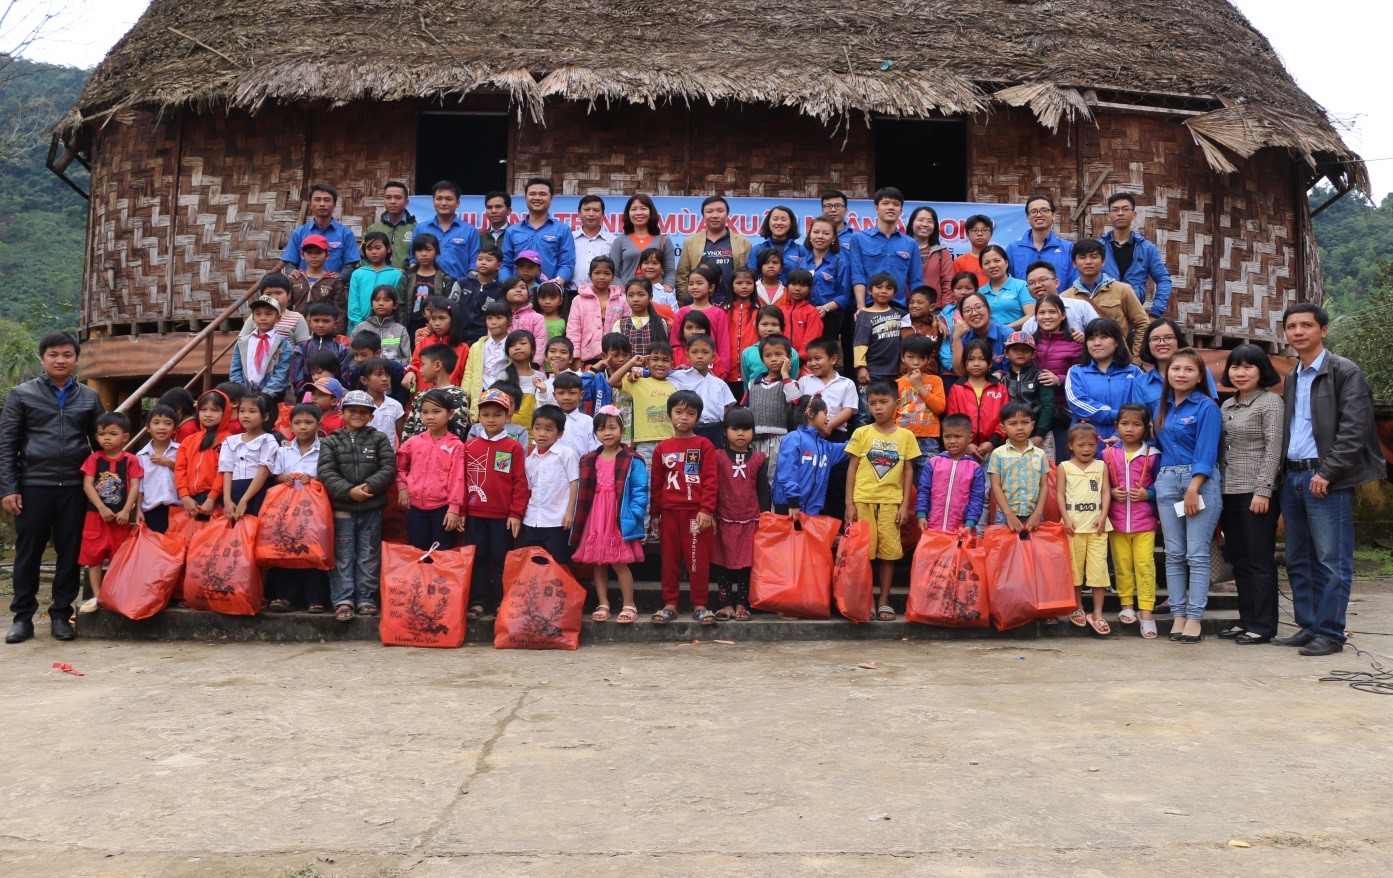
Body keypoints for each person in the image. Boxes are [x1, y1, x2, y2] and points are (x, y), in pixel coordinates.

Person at [1276, 304, 1384, 656]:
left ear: (1323, 330)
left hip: (1326, 477)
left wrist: (1328, 471)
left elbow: (1354, 429)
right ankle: (1309, 626)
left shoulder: (1344, 371)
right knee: (1299, 558)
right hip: (1293, 476)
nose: (1298, 332)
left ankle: (1331, 633)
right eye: (1292, 326)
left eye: (1306, 325)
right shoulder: (1293, 375)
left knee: (1331, 560)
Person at [0, 332, 101, 643]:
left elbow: (100, 444)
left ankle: (60, 615)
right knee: (28, 554)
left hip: (74, 486)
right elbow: (7, 444)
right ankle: (22, 618)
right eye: (54, 354)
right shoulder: (21, 395)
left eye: (67, 355)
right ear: (42, 358)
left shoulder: (88, 397)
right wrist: (8, 488)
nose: (61, 360)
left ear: (76, 359)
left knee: (69, 553)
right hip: (33, 485)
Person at [1148, 348, 1222, 643]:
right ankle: (1178, 613)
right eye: (1176, 369)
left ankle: (1195, 617)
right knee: (1174, 553)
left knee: (1197, 553)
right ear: (1168, 373)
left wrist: (1193, 488)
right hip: (1166, 481)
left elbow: (1207, 451)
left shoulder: (1206, 407)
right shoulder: (1160, 406)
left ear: (1200, 375)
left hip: (1199, 482)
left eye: (1189, 370)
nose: (1181, 374)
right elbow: (1158, 443)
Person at [1215, 346, 1285, 645]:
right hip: (1228, 492)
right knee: (1240, 560)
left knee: (1259, 560)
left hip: (1256, 494)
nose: (1240, 373)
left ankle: (1263, 625)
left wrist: (1264, 490)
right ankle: (1245, 621)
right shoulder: (1227, 405)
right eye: (1235, 367)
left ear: (1261, 371)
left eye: (1248, 367)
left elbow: (1274, 449)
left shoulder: (1270, 403)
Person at [319, 389, 397, 621]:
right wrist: (348, 491)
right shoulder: (331, 441)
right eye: (352, 410)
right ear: (342, 413)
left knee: (369, 555)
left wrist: (369, 487)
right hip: (342, 509)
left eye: (364, 412)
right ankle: (343, 599)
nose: (358, 415)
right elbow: (325, 471)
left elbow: (388, 468)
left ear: (372, 416)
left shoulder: (379, 438)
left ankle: (366, 598)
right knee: (342, 555)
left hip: (372, 508)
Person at [845, 379, 920, 621]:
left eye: (884, 402)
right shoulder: (861, 433)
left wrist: (905, 503)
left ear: (896, 404)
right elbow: (852, 468)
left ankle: (884, 599)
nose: (878, 408)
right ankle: (866, 598)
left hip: (891, 501)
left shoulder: (906, 436)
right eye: (873, 403)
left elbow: (909, 471)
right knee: (864, 553)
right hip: (862, 500)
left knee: (888, 553)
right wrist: (849, 503)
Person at [571, 405, 647, 626]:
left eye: (613, 428)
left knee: (619, 562)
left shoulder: (633, 459)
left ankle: (629, 604)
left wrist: (635, 515)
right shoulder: (588, 459)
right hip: (596, 515)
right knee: (598, 562)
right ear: (595, 433)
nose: (607, 433)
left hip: (618, 515)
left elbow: (640, 490)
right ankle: (603, 603)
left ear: (622, 431)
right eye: (602, 429)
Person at [649, 390, 719, 625]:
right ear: (669, 415)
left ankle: (700, 604)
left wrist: (706, 510)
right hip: (669, 513)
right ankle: (670, 603)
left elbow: (711, 480)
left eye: (691, 413)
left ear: (697, 418)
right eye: (679, 412)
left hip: (696, 514)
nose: (684, 417)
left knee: (697, 559)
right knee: (669, 560)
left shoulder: (704, 445)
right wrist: (654, 514)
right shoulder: (662, 448)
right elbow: (656, 484)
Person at [463, 388, 530, 619]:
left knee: (502, 560)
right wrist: (462, 510)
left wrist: (516, 513)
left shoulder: (513, 447)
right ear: (478, 417)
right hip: (474, 513)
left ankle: (504, 600)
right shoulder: (469, 447)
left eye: (497, 415)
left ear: (508, 417)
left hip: (502, 516)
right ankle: (478, 601)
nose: (491, 419)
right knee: (478, 559)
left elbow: (520, 483)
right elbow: (461, 481)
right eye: (486, 414)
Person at [1102, 403, 1161, 639]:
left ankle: (1146, 610)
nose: (1129, 429)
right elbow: (1098, 482)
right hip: (1116, 522)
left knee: (1145, 565)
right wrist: (1110, 491)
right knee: (1122, 565)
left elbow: (1162, 484)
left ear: (1145, 428)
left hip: (1144, 522)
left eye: (1136, 424)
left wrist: (1149, 494)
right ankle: (1126, 604)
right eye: (1124, 424)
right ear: (1116, 426)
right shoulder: (1107, 454)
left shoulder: (1154, 455)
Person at [265, 403, 330, 612]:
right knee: (287, 549)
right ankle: (285, 596)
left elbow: (330, 475)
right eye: (298, 423)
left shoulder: (326, 449)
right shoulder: (284, 451)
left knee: (313, 550)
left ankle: (315, 597)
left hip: (314, 512)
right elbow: (274, 476)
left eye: (309, 422)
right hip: (287, 511)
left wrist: (314, 478)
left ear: (319, 425)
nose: (303, 427)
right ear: (290, 425)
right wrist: (282, 478)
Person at [77, 412, 142, 614]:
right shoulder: (94, 459)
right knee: (94, 558)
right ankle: (97, 595)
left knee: (119, 557)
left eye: (113, 433)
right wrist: (101, 508)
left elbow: (134, 486)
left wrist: (126, 511)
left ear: (125, 437)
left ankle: (115, 593)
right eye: (102, 434)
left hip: (120, 519)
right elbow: (87, 485)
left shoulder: (130, 460)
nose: (106, 438)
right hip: (95, 516)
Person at [712, 407, 769, 621]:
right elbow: (712, 487)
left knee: (747, 565)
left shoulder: (758, 459)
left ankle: (742, 602)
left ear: (753, 432)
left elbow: (764, 491)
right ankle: (725, 604)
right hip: (724, 519)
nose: (740, 434)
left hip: (750, 520)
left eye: (746, 429)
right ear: (725, 431)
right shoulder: (717, 457)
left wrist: (765, 517)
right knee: (723, 564)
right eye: (734, 428)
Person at [395, 388, 466, 551]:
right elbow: (399, 464)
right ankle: (419, 578)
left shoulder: (456, 445)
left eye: (436, 411)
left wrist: (454, 509)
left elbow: (458, 478)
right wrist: (402, 487)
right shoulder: (413, 442)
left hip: (442, 509)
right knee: (417, 549)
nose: (430, 416)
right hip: (415, 508)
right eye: (425, 412)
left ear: (450, 414)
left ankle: (439, 578)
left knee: (441, 552)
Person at [1057, 421, 1112, 634]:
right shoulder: (1065, 467)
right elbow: (1059, 494)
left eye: (1091, 444)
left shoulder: (1101, 466)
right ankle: (1077, 607)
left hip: (1097, 525)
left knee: (1099, 572)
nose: (1086, 449)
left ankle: (1097, 613)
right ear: (1071, 445)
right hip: (1074, 525)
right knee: (1075, 571)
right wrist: (1066, 518)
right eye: (1081, 445)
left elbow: (1106, 492)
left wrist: (1103, 515)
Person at [1061, 239, 1147, 359]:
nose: (1088, 262)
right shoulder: (1065, 297)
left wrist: (1136, 358)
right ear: (1074, 263)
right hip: (1082, 362)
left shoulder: (1122, 289)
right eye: (1082, 257)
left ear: (1103, 261)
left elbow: (1142, 323)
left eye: (1094, 257)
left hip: (1118, 360)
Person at [519, 405, 579, 565]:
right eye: (537, 428)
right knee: (532, 563)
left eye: (549, 429)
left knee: (558, 563)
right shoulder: (529, 459)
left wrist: (569, 513)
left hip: (556, 521)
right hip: (532, 520)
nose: (542, 434)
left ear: (559, 433)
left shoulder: (566, 454)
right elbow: (529, 490)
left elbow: (574, 483)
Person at [1065, 318, 1141, 443]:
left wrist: (1119, 434)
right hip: (1087, 444)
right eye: (1091, 339)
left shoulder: (1134, 373)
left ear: (1116, 341)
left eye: (1103, 337)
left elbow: (1140, 407)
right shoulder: (1076, 372)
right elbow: (1077, 402)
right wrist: (1115, 415)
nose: (1096, 343)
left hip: (1125, 442)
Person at [848, 187, 923, 309]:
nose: (891, 207)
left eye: (896, 204)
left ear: (901, 211)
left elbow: (916, 281)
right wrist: (861, 307)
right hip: (868, 306)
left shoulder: (911, 243)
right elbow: (858, 276)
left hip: (899, 307)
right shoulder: (858, 239)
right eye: (885, 203)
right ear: (876, 208)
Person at [1100, 192, 1173, 319]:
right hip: (1102, 315)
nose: (1120, 213)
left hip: (1134, 316)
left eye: (1125, 209)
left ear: (1134, 214)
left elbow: (1163, 280)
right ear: (1109, 216)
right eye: (1115, 210)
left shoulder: (1147, 249)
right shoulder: (1098, 247)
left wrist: (1156, 312)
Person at [774, 395, 848, 519]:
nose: (828, 418)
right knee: (791, 539)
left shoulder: (825, 447)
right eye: (824, 413)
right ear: (810, 413)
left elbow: (850, 448)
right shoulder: (794, 438)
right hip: (789, 508)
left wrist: (868, 435)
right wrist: (793, 502)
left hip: (812, 512)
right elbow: (787, 472)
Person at [987, 402, 1050, 536]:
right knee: (1006, 554)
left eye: (1025, 422)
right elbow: (996, 486)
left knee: (1032, 554)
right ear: (1002, 428)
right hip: (1004, 516)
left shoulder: (1040, 454)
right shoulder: (998, 454)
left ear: (1032, 425)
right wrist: (1009, 514)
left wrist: (1038, 513)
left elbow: (1044, 486)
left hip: (1033, 515)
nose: (1020, 427)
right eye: (1013, 423)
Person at [916, 413, 986, 532]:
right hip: (932, 527)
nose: (952, 441)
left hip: (960, 530)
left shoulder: (975, 468)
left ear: (970, 438)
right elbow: (924, 491)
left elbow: (976, 499)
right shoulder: (933, 463)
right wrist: (921, 515)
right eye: (947, 437)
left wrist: (969, 524)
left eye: (958, 436)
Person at [676, 195, 753, 302]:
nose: (715, 215)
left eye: (720, 211)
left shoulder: (744, 243)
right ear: (703, 216)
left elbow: (748, 275)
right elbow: (682, 273)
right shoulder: (690, 242)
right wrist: (685, 299)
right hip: (699, 303)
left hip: (732, 302)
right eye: (709, 211)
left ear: (727, 215)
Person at [502, 177, 577, 284]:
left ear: (551, 199)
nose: (537, 197)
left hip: (550, 295)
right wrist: (508, 285)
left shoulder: (562, 229)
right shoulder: (512, 231)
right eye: (532, 194)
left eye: (542, 194)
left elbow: (567, 263)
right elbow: (505, 264)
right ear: (525, 198)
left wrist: (556, 285)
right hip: (517, 293)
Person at [744, 336, 799, 478]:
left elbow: (794, 400)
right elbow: (745, 411)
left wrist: (785, 374)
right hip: (755, 441)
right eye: (768, 355)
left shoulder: (790, 383)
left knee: (776, 478)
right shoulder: (752, 384)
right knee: (755, 478)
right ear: (762, 359)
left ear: (789, 357)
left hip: (779, 441)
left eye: (779, 354)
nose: (773, 359)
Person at [1131, 318, 1217, 408]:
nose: (1162, 343)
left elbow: (1211, 409)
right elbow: (1139, 418)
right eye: (1155, 339)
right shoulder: (1140, 383)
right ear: (1148, 344)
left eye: (1168, 338)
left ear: (1178, 340)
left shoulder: (1201, 372)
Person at [174, 390, 231, 524]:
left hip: (217, 500)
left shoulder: (230, 440)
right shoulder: (189, 440)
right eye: (203, 409)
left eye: (214, 410)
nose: (208, 414)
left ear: (225, 412)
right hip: (191, 500)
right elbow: (180, 469)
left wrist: (211, 498)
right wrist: (184, 496)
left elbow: (225, 471)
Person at [946, 338, 1008, 461]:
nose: (976, 363)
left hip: (995, 448)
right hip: (964, 449)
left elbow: (1005, 419)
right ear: (964, 362)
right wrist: (967, 444)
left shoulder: (1000, 388)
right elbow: (953, 420)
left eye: (982, 359)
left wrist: (992, 442)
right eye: (971, 359)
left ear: (990, 363)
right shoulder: (957, 388)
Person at [279, 182, 360, 275]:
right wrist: (293, 273)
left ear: (334, 204)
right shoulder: (298, 233)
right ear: (310, 204)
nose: (322, 204)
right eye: (317, 200)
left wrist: (336, 280)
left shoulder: (346, 234)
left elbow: (351, 265)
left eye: (327, 200)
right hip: (304, 287)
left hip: (334, 287)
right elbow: (290, 264)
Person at [669, 334, 736, 447]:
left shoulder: (719, 384)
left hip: (715, 429)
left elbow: (727, 408)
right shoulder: (678, 376)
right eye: (694, 352)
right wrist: (640, 372)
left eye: (705, 352)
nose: (700, 356)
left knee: (713, 459)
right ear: (687, 355)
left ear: (713, 356)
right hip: (689, 427)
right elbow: (659, 374)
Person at [219, 393, 277, 520]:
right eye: (242, 411)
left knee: (255, 527)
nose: (245, 415)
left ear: (265, 416)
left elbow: (263, 473)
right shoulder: (230, 441)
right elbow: (227, 471)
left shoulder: (268, 440)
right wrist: (227, 499)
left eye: (252, 411)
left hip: (257, 491)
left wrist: (244, 500)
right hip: (233, 489)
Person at [897, 334, 946, 475]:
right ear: (902, 357)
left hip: (928, 438)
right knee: (902, 477)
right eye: (911, 357)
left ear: (929, 359)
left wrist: (919, 385)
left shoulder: (935, 381)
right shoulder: (897, 384)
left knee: (927, 478)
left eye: (921, 358)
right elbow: (893, 413)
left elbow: (940, 407)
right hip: (902, 436)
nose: (916, 362)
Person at [569, 255, 630, 366]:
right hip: (587, 357)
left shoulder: (621, 301)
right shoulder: (578, 300)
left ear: (613, 277)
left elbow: (627, 331)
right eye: (597, 273)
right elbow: (573, 330)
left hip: (615, 358)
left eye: (607, 273)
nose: (601, 277)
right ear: (590, 275)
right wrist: (575, 357)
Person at [401, 345, 469, 443]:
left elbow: (457, 431)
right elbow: (408, 429)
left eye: (423, 364)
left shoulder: (458, 395)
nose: (420, 370)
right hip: (417, 454)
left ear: (437, 365)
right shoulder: (420, 395)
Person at [671, 265, 731, 376]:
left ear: (711, 287)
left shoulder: (719, 313)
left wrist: (723, 371)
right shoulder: (682, 312)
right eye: (691, 284)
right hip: (683, 369)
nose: (694, 287)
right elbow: (675, 343)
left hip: (711, 368)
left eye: (699, 283)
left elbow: (723, 346)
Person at [414, 180, 480, 281]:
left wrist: (466, 285)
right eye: (439, 198)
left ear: (457, 203)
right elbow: (413, 259)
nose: (443, 203)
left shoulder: (470, 231)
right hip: (425, 287)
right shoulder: (421, 228)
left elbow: (474, 264)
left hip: (457, 288)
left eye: (449, 199)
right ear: (433, 201)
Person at [997, 331, 1054, 447]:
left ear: (1033, 354)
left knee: (1044, 465)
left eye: (1025, 349)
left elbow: (1049, 406)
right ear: (1006, 354)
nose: (1020, 353)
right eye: (1015, 349)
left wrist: (1040, 435)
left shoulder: (1041, 376)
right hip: (1010, 436)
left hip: (1040, 435)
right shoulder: (1002, 380)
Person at [230, 295, 294, 398]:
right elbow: (235, 371)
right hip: (245, 397)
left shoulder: (283, 344)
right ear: (253, 318)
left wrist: (265, 396)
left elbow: (281, 374)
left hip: (273, 398)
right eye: (258, 314)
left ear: (278, 318)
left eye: (268, 314)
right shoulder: (242, 343)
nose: (263, 318)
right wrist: (242, 394)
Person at [1006, 194, 1075, 288]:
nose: (1039, 215)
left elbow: (1073, 283)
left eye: (1044, 210)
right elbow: (1009, 284)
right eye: (1033, 211)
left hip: (1059, 302)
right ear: (1027, 218)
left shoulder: (1068, 249)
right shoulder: (1013, 249)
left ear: (1053, 215)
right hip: (1024, 303)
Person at [610, 194, 677, 287]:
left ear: (651, 212)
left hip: (656, 294)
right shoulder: (620, 241)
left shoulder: (664, 240)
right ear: (628, 213)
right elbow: (613, 273)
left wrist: (668, 287)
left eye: (643, 208)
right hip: (628, 294)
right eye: (634, 209)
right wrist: (622, 290)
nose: (638, 213)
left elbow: (670, 271)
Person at [398, 233, 456, 339]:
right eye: (419, 250)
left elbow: (448, 305)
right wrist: (402, 328)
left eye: (428, 250)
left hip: (436, 325)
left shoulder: (444, 279)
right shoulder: (407, 277)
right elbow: (401, 305)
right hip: (411, 324)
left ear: (436, 253)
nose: (424, 254)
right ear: (414, 254)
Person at [854, 273, 908, 386]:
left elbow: (918, 317)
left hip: (895, 370)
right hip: (872, 371)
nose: (883, 291)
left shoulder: (899, 313)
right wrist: (861, 367)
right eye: (879, 287)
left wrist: (935, 319)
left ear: (894, 293)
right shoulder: (864, 315)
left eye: (889, 288)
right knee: (871, 401)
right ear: (869, 291)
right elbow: (860, 343)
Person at [406, 296, 470, 392]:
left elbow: (464, 377)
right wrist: (411, 372)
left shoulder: (463, 348)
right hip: (423, 396)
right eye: (433, 318)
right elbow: (415, 363)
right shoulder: (424, 341)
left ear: (453, 319)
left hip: (448, 399)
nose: (437, 323)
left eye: (442, 318)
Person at [135, 404, 181, 534]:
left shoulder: (181, 450)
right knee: (155, 549)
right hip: (152, 509)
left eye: (167, 423)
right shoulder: (141, 456)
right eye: (156, 423)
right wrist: (138, 510)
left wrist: (169, 463)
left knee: (177, 547)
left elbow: (188, 474)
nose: (161, 427)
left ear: (175, 429)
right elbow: (140, 486)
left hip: (178, 508)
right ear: (148, 428)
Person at [806, 216, 852, 342]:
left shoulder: (840, 263)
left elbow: (844, 296)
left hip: (829, 317)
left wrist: (824, 308)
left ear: (833, 238)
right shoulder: (801, 262)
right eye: (816, 232)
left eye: (826, 233)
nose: (820, 236)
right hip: (804, 317)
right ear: (810, 235)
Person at [1020, 261, 1097, 334]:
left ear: (1056, 283)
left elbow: (1099, 334)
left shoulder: (1081, 307)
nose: (1037, 285)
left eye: (1042, 280)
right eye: (1031, 283)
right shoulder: (1029, 325)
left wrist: (1084, 338)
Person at [346, 231, 404, 328]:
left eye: (378, 248)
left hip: (387, 328)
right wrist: (359, 325)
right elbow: (353, 303)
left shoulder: (396, 275)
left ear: (388, 249)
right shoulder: (358, 274)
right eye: (369, 248)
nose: (373, 252)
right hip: (358, 328)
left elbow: (398, 304)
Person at [292, 301, 352, 392]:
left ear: (335, 324)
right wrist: (308, 394)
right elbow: (297, 379)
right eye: (316, 320)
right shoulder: (301, 348)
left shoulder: (341, 349)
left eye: (326, 321)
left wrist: (329, 394)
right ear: (309, 322)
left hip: (332, 397)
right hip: (306, 397)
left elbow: (343, 378)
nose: (320, 325)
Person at [948, 292, 1012, 376]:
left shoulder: (1008, 335)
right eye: (967, 310)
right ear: (963, 317)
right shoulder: (964, 338)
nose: (974, 313)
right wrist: (956, 337)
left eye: (978, 307)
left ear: (989, 310)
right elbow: (960, 373)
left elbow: (1017, 371)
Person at [287, 234, 347, 324]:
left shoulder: (334, 281)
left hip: (323, 331)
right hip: (295, 330)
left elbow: (340, 311)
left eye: (318, 252)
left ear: (327, 255)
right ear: (302, 255)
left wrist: (335, 333)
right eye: (309, 252)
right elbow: (286, 306)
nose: (314, 256)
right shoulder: (294, 279)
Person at [239, 273, 310, 347]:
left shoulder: (297, 318)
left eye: (278, 293)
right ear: (262, 296)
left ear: (289, 295)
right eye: (268, 294)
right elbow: (241, 342)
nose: (274, 298)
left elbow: (304, 347)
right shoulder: (255, 317)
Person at [977, 244, 1035, 329]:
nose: (992, 266)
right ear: (982, 268)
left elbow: (1031, 316)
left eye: (996, 261)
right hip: (989, 340)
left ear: (1006, 263)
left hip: (1018, 338)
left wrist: (1004, 329)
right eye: (987, 263)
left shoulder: (1022, 286)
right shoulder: (980, 293)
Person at [740, 305, 800, 387]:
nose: (769, 329)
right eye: (764, 324)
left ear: (782, 327)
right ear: (756, 326)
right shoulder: (748, 353)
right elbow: (747, 384)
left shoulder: (791, 352)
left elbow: (792, 379)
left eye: (775, 325)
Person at [364, 180, 416, 272]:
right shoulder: (373, 229)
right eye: (388, 197)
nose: (393, 201)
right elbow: (363, 257)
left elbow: (421, 257)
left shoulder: (416, 228)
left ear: (406, 202)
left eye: (398, 197)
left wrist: (407, 272)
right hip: (377, 279)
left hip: (406, 280)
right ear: (384, 200)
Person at [747, 205, 809, 281]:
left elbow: (807, 278)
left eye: (784, 219)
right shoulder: (757, 249)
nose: (779, 223)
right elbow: (751, 278)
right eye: (775, 219)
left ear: (791, 224)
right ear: (768, 222)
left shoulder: (800, 250)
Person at [908, 205, 954, 306]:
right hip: (905, 308)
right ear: (911, 224)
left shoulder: (941, 252)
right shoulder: (902, 249)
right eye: (921, 220)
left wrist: (946, 310)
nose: (925, 224)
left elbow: (948, 282)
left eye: (929, 221)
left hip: (934, 309)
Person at [356, 285, 412, 367]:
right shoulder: (360, 328)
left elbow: (406, 359)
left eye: (386, 300)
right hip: (366, 375)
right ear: (371, 304)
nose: (381, 303)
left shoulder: (401, 330)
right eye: (377, 300)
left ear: (395, 305)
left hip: (394, 376)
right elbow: (352, 358)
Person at [357, 357, 405, 448]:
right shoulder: (358, 405)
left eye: (387, 375)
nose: (384, 379)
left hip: (388, 458)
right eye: (378, 375)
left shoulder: (395, 405)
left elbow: (401, 436)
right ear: (364, 380)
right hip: (363, 457)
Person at [550, 371, 599, 458]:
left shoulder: (588, 422)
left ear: (581, 395)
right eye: (561, 393)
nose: (566, 397)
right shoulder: (550, 420)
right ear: (554, 395)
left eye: (572, 393)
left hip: (583, 468)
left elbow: (594, 450)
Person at [780, 268, 823, 364]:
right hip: (780, 361)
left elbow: (812, 338)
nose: (797, 289)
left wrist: (798, 360)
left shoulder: (812, 312)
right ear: (787, 286)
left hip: (803, 362)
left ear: (810, 289)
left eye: (803, 285)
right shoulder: (780, 310)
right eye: (793, 284)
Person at [501, 330, 541, 428]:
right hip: (507, 429)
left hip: (532, 429)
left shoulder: (540, 377)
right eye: (512, 345)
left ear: (532, 350)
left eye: (523, 343)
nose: (518, 347)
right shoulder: (503, 375)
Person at [572, 194, 614, 278]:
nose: (591, 214)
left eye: (596, 210)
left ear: (603, 214)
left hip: (602, 290)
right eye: (586, 210)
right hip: (571, 290)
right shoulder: (569, 238)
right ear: (579, 213)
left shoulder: (613, 241)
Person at [504, 268, 548, 342]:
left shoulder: (537, 318)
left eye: (522, 287)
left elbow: (540, 344)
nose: (518, 290)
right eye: (513, 287)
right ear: (504, 293)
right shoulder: (498, 316)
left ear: (528, 294)